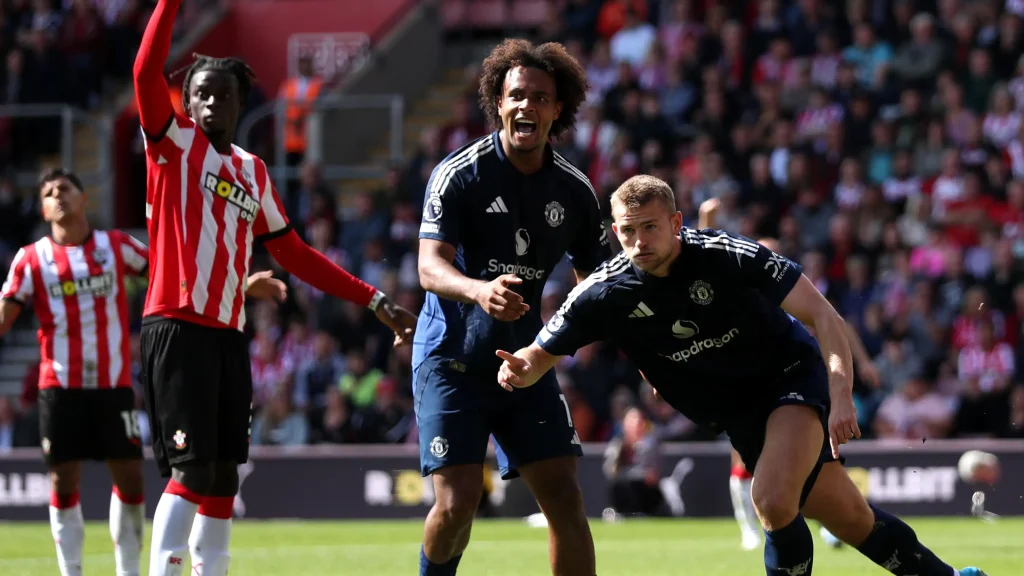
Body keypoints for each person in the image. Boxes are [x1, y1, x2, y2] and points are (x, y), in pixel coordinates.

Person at [496, 175, 987, 576]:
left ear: (677, 223)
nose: (639, 242)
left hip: (790, 377)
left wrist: (841, 395)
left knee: (772, 500)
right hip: (738, 416)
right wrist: (520, 369)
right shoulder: (604, 292)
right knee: (854, 520)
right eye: (627, 231)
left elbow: (825, 317)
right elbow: (539, 355)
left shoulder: (728, 255)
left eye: (650, 228)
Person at [133, 1, 418, 574]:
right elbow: (143, 73)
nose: (212, 102)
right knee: (189, 469)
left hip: (228, 335)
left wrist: (373, 298)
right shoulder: (171, 146)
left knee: (220, 475)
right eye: (202, 94)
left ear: (244, 104)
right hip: (177, 327)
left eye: (224, 94)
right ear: (186, 103)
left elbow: (294, 253)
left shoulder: (252, 171)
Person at [0, 168, 286, 576]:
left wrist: (239, 282)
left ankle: (129, 572)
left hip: (113, 387)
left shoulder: (114, 247)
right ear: (43, 208)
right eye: (48, 192)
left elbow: (175, 273)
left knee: (132, 479)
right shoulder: (30, 260)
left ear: (84, 199)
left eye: (65, 188)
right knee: (63, 481)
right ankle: (72, 571)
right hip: (59, 386)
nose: (57, 195)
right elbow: (5, 315)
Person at [415, 39, 607, 576]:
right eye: (516, 95)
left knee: (566, 501)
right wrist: (479, 290)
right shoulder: (460, 174)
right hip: (451, 359)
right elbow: (428, 267)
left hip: (523, 363)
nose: (527, 106)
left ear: (557, 110)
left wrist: (628, 350)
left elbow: (601, 282)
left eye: (540, 98)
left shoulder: (574, 191)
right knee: (456, 507)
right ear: (497, 103)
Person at [695, 198, 865, 551]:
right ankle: (752, 530)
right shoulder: (737, 287)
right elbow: (698, 264)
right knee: (752, 462)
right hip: (749, 386)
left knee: (810, 462)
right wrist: (706, 220)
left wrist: (849, 373)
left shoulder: (795, 292)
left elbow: (833, 324)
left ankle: (832, 522)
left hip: (799, 381)